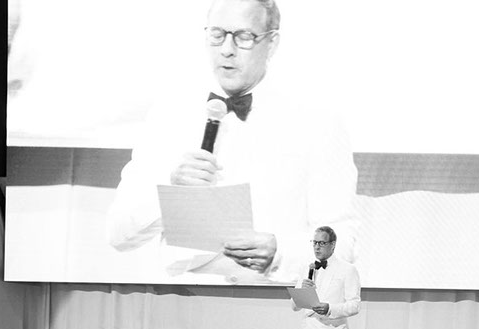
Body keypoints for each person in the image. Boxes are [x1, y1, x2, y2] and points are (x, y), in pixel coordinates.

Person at [106, 0, 358, 284]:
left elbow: (343, 244)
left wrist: (280, 253)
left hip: (274, 296)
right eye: (217, 35)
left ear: (272, 43)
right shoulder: (169, 115)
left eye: (243, 36)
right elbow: (118, 234)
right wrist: (170, 190)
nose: (227, 49)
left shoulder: (317, 122)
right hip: (184, 299)